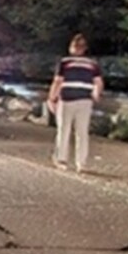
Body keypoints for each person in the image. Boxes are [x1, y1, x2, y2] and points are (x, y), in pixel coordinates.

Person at [47, 33, 104, 172]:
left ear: (72, 47)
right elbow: (99, 82)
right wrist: (96, 95)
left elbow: (58, 81)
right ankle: (81, 163)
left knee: (64, 130)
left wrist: (51, 98)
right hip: (85, 100)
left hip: (67, 99)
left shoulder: (65, 62)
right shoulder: (92, 64)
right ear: (85, 48)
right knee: (82, 133)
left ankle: (62, 160)